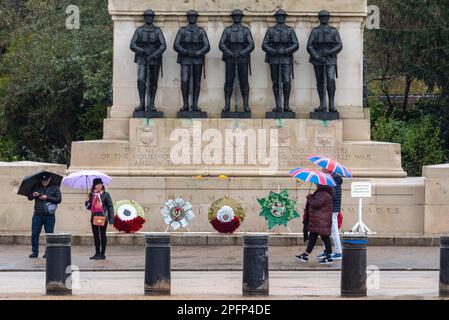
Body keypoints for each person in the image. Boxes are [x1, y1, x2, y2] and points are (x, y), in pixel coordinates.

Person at [262, 9, 299, 113]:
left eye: (282, 16)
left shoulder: (290, 30)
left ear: (284, 17)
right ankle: (278, 105)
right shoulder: (270, 30)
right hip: (273, 58)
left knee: (286, 81)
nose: (280, 18)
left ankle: (286, 105)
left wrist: (285, 50)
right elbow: (264, 44)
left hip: (286, 58)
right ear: (276, 18)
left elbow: (296, 44)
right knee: (276, 82)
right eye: (278, 16)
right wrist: (274, 51)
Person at [130, 9, 167, 112]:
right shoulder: (139, 30)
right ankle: (142, 103)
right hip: (142, 58)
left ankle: (151, 104)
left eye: (150, 16)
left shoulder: (157, 30)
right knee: (141, 80)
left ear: (153, 18)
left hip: (154, 59)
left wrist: (154, 55)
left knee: (153, 81)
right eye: (147, 16)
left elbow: (163, 45)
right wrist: (142, 51)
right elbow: (132, 44)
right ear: (144, 17)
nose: (148, 18)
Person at [174, 10, 210, 112]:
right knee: (184, 81)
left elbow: (207, 46)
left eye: (193, 16)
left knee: (197, 83)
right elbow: (176, 45)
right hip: (185, 58)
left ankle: (195, 105)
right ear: (187, 18)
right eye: (190, 16)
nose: (192, 18)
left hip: (197, 59)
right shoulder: (182, 30)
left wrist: (198, 53)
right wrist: (185, 51)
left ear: (196, 18)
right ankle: (185, 104)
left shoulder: (201, 31)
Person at [219, 9, 255, 113]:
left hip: (242, 58)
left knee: (244, 82)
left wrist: (242, 52)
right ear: (232, 17)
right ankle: (226, 105)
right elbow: (221, 44)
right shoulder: (227, 30)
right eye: (235, 16)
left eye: (239, 16)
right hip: (230, 58)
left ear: (241, 17)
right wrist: (229, 53)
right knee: (229, 82)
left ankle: (246, 105)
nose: (237, 17)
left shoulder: (246, 30)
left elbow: (251, 44)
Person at [307, 10, 343, 113]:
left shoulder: (333, 31)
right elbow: (309, 46)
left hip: (330, 58)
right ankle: (322, 104)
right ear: (319, 18)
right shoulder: (315, 31)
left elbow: (339, 45)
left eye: (325, 17)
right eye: (322, 17)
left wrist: (329, 52)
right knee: (320, 82)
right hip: (317, 59)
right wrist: (317, 56)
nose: (324, 18)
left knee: (331, 80)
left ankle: (331, 104)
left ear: (328, 18)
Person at [296, 184, 334, 264]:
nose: (316, 185)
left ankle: (329, 257)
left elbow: (316, 204)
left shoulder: (322, 194)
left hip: (321, 221)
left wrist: (309, 197)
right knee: (313, 237)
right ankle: (305, 255)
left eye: (317, 184)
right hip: (318, 221)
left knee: (325, 238)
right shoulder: (323, 193)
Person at [27, 173, 62, 259]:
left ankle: (48, 252)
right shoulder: (36, 186)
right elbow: (29, 197)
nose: (44, 182)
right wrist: (33, 195)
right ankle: (34, 252)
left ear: (49, 179)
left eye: (46, 180)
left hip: (49, 215)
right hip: (37, 214)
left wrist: (47, 198)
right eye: (43, 181)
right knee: (34, 234)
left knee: (49, 234)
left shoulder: (55, 187)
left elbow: (59, 199)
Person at [85, 178, 114, 260]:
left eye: (100, 184)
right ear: (94, 185)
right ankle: (97, 253)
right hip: (94, 218)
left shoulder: (106, 194)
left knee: (102, 235)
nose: (98, 186)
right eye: (97, 185)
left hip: (103, 218)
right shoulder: (91, 195)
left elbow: (110, 207)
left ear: (102, 185)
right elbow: (88, 207)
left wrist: (111, 220)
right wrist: (87, 202)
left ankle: (102, 254)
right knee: (96, 236)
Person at [317, 170, 343, 260]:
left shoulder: (333, 180)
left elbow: (333, 196)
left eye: (323, 169)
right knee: (324, 230)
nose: (321, 170)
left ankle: (338, 252)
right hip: (329, 209)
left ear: (328, 170)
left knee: (334, 231)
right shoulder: (331, 179)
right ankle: (326, 251)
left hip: (332, 209)